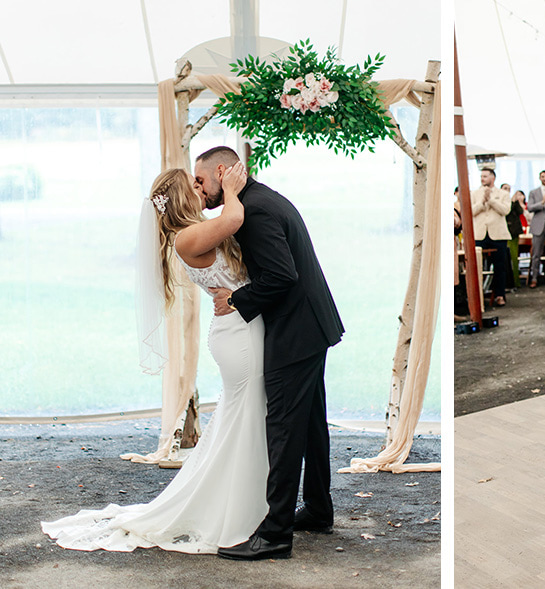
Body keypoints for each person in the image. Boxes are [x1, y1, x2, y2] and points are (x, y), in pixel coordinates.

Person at [42, 162, 264, 554]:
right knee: (244, 423)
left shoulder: (191, 234)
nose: (201, 187)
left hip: (241, 330)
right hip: (239, 338)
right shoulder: (186, 239)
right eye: (194, 185)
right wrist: (231, 186)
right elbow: (234, 216)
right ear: (181, 198)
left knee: (241, 422)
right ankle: (240, 510)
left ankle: (246, 503)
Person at [197, 147, 346, 560]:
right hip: (313, 326)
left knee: (282, 428)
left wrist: (236, 300)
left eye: (202, 180)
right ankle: (318, 509)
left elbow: (281, 275)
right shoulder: (262, 198)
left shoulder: (255, 212)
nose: (200, 189)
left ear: (222, 172)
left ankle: (275, 534)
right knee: (312, 424)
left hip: (296, 333)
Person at [470, 168, 512, 306]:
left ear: (493, 177)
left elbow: (505, 210)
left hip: (498, 234)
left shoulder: (503, 194)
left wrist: (491, 200)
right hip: (480, 234)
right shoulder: (474, 193)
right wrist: (482, 202)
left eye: (485, 176)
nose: (482, 178)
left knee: (500, 266)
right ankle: (478, 296)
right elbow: (471, 212)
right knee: (476, 266)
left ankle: (500, 295)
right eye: (481, 176)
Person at [505, 189, 527, 288]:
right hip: (504, 232)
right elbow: (506, 212)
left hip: (514, 232)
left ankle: (516, 281)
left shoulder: (515, 204)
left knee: (514, 257)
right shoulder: (503, 202)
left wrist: (516, 202)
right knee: (507, 258)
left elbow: (520, 212)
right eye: (505, 188)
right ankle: (509, 281)